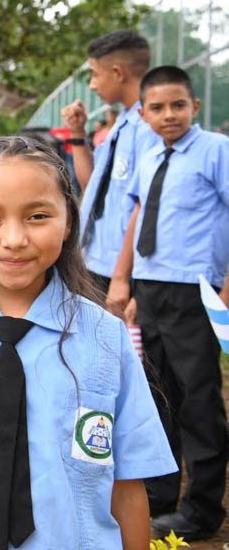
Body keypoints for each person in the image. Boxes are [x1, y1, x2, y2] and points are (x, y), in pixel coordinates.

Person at [0, 136, 176, 550]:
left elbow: (126, 482)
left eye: (38, 216)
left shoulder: (104, 335)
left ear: (68, 221)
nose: (14, 238)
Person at [111, 66, 229, 541]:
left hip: (196, 291)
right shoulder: (150, 155)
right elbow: (139, 216)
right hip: (150, 288)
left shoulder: (216, 151)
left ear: (195, 107)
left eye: (178, 105)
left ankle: (202, 510)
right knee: (157, 399)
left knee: (199, 401)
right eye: (157, 107)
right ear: (143, 113)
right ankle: (159, 497)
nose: (169, 114)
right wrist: (125, 281)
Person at [60, 30, 159, 305]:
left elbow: (146, 206)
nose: (92, 85)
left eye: (94, 73)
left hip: (123, 270)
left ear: (117, 72)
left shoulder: (151, 126)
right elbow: (92, 183)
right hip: (98, 259)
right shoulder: (123, 121)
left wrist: (121, 277)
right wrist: (77, 134)